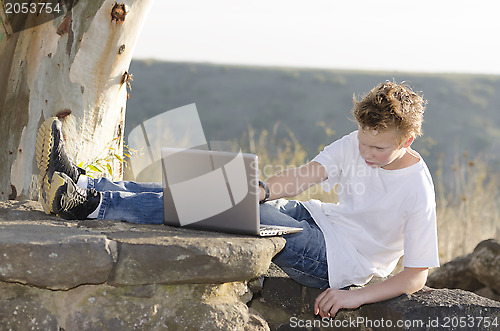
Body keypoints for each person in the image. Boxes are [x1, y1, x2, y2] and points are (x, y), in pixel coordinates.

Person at [37, 81, 439, 319]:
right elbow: (305, 176)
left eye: (379, 149)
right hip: (319, 221)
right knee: (225, 188)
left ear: (407, 140)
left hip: (336, 261)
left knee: (221, 203)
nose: (367, 154)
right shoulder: (358, 141)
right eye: (364, 143)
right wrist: (261, 190)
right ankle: (87, 183)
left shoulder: (416, 189)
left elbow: (416, 275)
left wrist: (356, 296)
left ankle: (89, 205)